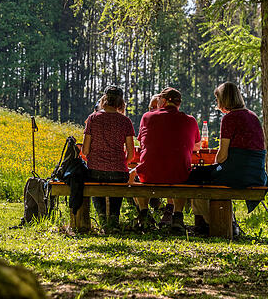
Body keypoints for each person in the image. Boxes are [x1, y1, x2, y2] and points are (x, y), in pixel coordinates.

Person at [190, 81, 268, 236]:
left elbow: (222, 155)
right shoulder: (253, 116)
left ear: (224, 100)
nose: (217, 103)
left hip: (237, 174)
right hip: (257, 174)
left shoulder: (229, 118)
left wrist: (213, 165)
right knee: (208, 174)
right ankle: (229, 223)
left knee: (196, 177)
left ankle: (206, 225)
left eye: (218, 99)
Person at [128, 87, 200, 233]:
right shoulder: (190, 120)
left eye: (159, 99)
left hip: (149, 174)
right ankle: (177, 216)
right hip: (179, 176)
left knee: (135, 174)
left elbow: (142, 141)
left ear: (164, 101)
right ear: (178, 104)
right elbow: (197, 147)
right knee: (182, 173)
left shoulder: (147, 117)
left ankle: (144, 213)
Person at [82, 85, 135, 232]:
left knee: (95, 184)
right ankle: (114, 221)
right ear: (121, 103)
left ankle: (103, 221)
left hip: (95, 170)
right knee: (117, 188)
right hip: (119, 171)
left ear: (104, 100)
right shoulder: (125, 121)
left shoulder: (92, 119)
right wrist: (120, 163)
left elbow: (85, 150)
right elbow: (131, 154)